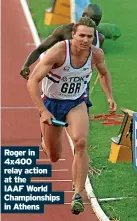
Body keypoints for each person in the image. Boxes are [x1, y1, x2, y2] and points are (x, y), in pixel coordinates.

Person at [27, 17, 117, 214]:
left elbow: (103, 73)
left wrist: (109, 96)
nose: (85, 40)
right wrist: (43, 111)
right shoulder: (59, 51)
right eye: (82, 35)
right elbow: (33, 81)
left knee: (81, 142)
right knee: (54, 155)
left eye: (89, 36)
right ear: (73, 35)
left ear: (94, 38)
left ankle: (77, 193)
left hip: (76, 102)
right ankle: (45, 140)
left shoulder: (96, 54)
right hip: (51, 103)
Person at [20, 3, 104, 80]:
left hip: (78, 88)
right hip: (56, 83)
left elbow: (93, 63)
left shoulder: (99, 38)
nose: (94, 23)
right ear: (83, 15)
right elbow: (40, 49)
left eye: (97, 21)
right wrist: (26, 65)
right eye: (92, 19)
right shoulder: (65, 30)